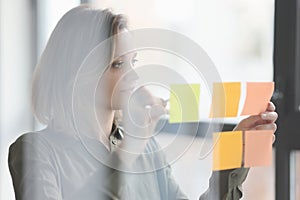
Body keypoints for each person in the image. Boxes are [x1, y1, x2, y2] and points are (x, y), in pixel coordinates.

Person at [8, 5, 278, 200]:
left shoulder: (147, 148)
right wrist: (127, 151)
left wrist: (237, 152)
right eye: (117, 64)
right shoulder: (36, 151)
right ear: (77, 73)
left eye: (133, 62)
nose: (134, 76)